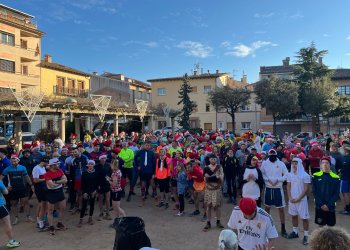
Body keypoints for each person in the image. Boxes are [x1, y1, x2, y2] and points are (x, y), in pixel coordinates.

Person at [260, 149, 288, 237]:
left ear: (276, 155)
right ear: (268, 155)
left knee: (281, 209)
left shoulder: (281, 164)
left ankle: (283, 228)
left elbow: (286, 174)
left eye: (273, 154)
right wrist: (268, 180)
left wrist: (278, 180)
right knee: (267, 208)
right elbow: (262, 173)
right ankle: (266, 227)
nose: (272, 155)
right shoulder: (264, 163)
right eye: (270, 154)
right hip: (268, 188)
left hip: (278, 189)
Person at [0, 154, 34, 225]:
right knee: (13, 204)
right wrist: (5, 187)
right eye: (12, 161)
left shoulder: (23, 168)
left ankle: (28, 216)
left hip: (22, 187)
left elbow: (27, 177)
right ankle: (16, 218)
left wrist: (31, 185)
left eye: (15, 161)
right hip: (12, 189)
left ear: (18, 161)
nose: (13, 163)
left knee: (26, 202)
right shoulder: (7, 169)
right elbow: (1, 178)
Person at [286, 158, 311, 245]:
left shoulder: (305, 175)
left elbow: (306, 189)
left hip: (302, 200)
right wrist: (289, 197)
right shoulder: (289, 175)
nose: (294, 165)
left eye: (296, 163)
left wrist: (299, 198)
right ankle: (295, 232)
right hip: (292, 200)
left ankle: (306, 235)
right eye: (293, 163)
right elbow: (288, 186)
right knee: (294, 216)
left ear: (300, 164)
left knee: (304, 218)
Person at [312, 156, 340, 227]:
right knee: (320, 226)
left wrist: (328, 205)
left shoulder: (336, 177)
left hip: (331, 206)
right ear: (320, 165)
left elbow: (336, 193)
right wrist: (321, 204)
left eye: (327, 163)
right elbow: (314, 191)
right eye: (323, 163)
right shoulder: (315, 176)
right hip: (319, 206)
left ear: (330, 165)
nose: (324, 164)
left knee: (330, 227)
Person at [44, 158, 67, 235]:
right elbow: (51, 185)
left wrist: (56, 181)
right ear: (52, 165)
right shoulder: (47, 174)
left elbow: (65, 180)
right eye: (57, 164)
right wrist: (61, 182)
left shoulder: (59, 170)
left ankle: (59, 223)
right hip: (51, 193)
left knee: (63, 208)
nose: (59, 165)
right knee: (50, 210)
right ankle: (51, 226)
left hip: (59, 191)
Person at [203, 153, 224, 232]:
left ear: (216, 159)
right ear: (209, 160)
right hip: (209, 189)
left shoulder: (219, 167)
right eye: (211, 159)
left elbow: (222, 178)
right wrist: (215, 177)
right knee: (208, 206)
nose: (213, 160)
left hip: (217, 189)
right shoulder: (206, 168)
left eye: (214, 159)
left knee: (218, 206)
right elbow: (205, 179)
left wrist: (217, 178)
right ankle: (208, 222)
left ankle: (218, 221)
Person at [134, 141, 156, 206]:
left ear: (150, 146)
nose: (147, 146)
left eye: (148, 145)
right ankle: (143, 197)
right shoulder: (140, 152)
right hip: (142, 171)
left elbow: (154, 163)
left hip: (150, 171)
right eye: (146, 145)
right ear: (144, 146)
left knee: (153, 184)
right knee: (143, 184)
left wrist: (154, 172)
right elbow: (135, 158)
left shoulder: (152, 153)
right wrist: (137, 166)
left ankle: (155, 197)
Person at [0, 178, 20, 248]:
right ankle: (11, 241)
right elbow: (6, 192)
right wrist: (6, 188)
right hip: (0, 206)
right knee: (7, 223)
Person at [78, 160, 98, 227]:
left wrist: (95, 191)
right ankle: (81, 219)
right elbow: (82, 184)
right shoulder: (84, 173)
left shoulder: (96, 173)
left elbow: (97, 183)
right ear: (87, 165)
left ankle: (90, 218)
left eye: (91, 164)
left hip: (93, 191)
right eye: (89, 164)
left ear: (93, 165)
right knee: (84, 205)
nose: (90, 165)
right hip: (86, 191)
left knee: (92, 205)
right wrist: (84, 192)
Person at [32, 156, 49, 231]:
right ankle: (39, 222)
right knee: (42, 205)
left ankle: (40, 221)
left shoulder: (43, 168)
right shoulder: (36, 168)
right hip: (39, 189)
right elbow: (35, 180)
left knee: (43, 205)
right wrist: (45, 179)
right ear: (44, 161)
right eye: (47, 162)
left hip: (43, 188)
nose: (48, 164)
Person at [96, 154, 112, 221]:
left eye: (105, 158)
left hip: (107, 184)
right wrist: (97, 185)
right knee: (100, 200)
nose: (104, 159)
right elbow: (95, 176)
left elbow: (110, 174)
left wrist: (109, 179)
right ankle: (101, 213)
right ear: (100, 159)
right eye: (102, 158)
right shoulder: (96, 166)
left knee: (107, 200)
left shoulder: (108, 165)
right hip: (100, 185)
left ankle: (108, 213)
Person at [339, 145, 350, 214]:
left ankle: (347, 208)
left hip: (345, 178)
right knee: (348, 193)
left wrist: (340, 170)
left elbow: (344, 169)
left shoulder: (346, 158)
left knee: (345, 193)